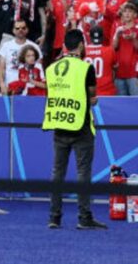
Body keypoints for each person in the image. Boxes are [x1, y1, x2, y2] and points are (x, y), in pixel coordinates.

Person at [44, 29, 107, 230]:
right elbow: (92, 95)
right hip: (81, 127)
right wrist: (91, 100)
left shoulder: (51, 68)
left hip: (59, 125)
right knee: (83, 174)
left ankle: (54, 217)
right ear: (81, 46)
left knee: (57, 173)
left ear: (64, 46)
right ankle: (84, 217)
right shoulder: (85, 68)